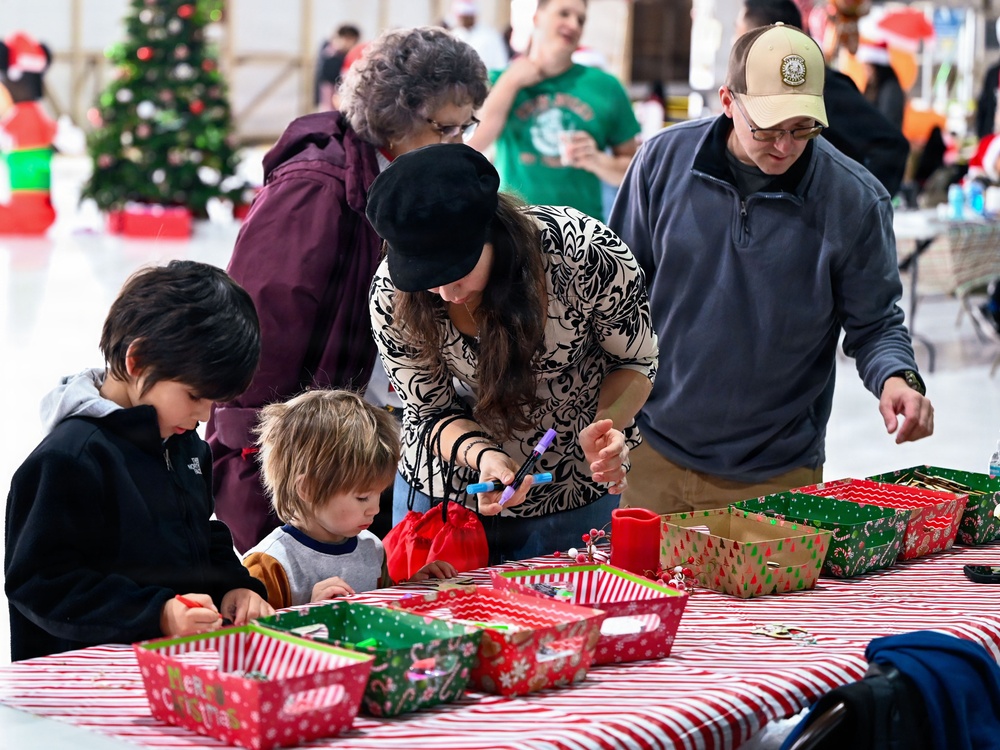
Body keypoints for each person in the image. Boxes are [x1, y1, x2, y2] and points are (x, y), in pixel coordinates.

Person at [608, 23, 934, 516]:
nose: (784, 146)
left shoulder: (855, 200)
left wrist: (897, 379)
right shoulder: (662, 163)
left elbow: (876, 324)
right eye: (767, 128)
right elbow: (619, 296)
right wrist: (606, 413)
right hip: (652, 451)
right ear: (727, 100)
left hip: (778, 470)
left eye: (802, 128)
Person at [206, 27, 489, 554]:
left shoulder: (405, 180)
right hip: (297, 459)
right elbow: (257, 333)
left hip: (365, 439)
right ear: (397, 113)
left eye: (464, 128)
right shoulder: (315, 187)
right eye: (445, 129)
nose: (457, 145)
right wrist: (257, 458)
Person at [366, 143, 658, 562]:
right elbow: (428, 410)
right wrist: (483, 456)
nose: (447, 293)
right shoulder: (390, 295)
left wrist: (603, 428)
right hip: (447, 495)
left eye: (459, 270)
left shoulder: (583, 255)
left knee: (566, 619)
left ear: (492, 233)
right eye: (427, 279)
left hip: (570, 484)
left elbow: (635, 359)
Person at [4, 261, 274, 662]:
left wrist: (235, 586)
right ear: (138, 360)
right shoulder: (70, 458)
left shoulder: (185, 445)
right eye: (194, 396)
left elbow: (199, 534)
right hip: (87, 687)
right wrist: (156, 614)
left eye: (213, 402)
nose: (204, 416)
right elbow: (41, 584)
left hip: (174, 673)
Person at [243, 390, 457, 608]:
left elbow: (378, 614)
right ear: (307, 488)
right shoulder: (268, 564)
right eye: (363, 497)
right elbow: (252, 638)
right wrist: (310, 611)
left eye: (379, 493)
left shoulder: (372, 548)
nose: (374, 509)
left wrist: (409, 589)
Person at [467, 0, 640, 221]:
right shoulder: (500, 80)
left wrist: (597, 160)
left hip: (580, 234)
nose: (574, 25)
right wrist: (511, 82)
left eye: (581, 20)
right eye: (564, 14)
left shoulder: (606, 87)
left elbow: (634, 172)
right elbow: (475, 144)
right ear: (537, 18)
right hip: (514, 227)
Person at [735, 0, 909, 197]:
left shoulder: (822, 87)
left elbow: (891, 145)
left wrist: (860, 205)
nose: (783, 145)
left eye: (800, 127)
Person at [855, 40, 905, 132]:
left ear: (877, 68)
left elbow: (886, 120)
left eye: (868, 68)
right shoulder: (875, 87)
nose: (866, 73)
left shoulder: (891, 90)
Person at [450, 0, 510, 72]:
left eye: (465, 17)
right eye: (460, 17)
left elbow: (500, 65)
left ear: (472, 16)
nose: (462, 20)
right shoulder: (453, 35)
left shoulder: (490, 36)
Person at [314, 23, 361, 111]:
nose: (349, 43)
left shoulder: (326, 50)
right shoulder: (331, 57)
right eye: (347, 39)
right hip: (330, 96)